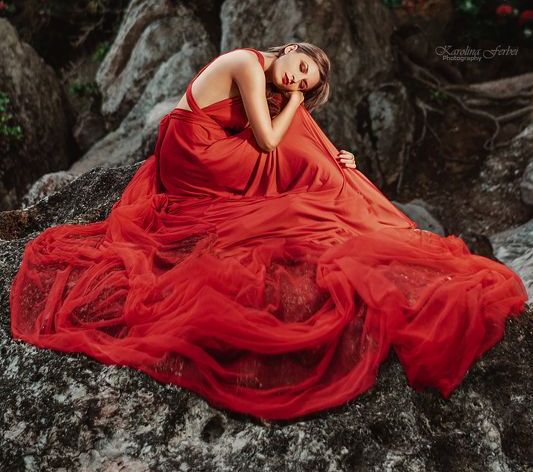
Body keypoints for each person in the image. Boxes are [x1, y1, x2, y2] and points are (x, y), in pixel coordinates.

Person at [9, 43, 528, 421]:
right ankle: (344, 185)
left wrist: (322, 141)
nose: (297, 80)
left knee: (317, 157)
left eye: (305, 83)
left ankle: (339, 173)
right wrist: (299, 108)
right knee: (304, 152)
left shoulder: (267, 76)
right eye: (300, 68)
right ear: (290, 48)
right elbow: (266, 140)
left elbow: (275, 132)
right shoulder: (247, 62)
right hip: (198, 155)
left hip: (203, 149)